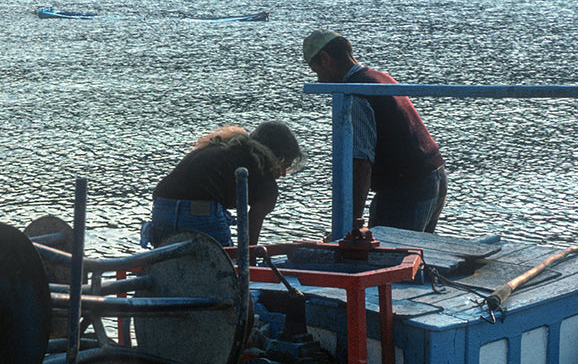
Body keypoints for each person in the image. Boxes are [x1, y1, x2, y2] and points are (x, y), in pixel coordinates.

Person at [302, 29, 447, 233]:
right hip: (435, 176)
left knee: (385, 255)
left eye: (317, 72)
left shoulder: (355, 93)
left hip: (407, 187)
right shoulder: (380, 77)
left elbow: (361, 164)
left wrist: (351, 223)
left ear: (325, 59)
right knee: (415, 255)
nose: (319, 81)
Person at [147, 121, 303, 248]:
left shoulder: (220, 148)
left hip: (162, 210)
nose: (282, 173)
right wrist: (249, 266)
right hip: (199, 213)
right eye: (284, 165)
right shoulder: (262, 172)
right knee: (224, 272)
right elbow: (250, 232)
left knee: (168, 269)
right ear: (276, 156)